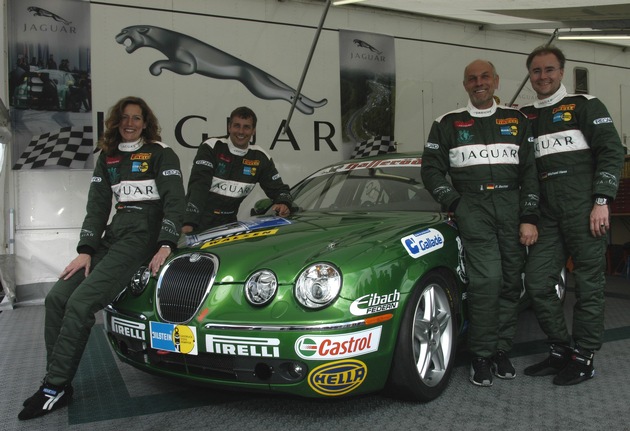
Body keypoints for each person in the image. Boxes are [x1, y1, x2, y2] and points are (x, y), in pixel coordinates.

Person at [18, 96, 186, 420]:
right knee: (56, 298)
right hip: (115, 232)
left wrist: (166, 243)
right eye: (124, 118)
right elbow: (96, 207)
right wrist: (85, 251)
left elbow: (174, 200)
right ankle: (61, 383)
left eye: (136, 118)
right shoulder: (107, 157)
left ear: (145, 123)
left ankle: (53, 387)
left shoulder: (161, 153)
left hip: (142, 236)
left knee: (81, 304)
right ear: (116, 122)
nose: (130, 123)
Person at [421, 59, 539, 387]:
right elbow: (430, 169)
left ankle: (501, 350)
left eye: (485, 77)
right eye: (472, 78)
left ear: (496, 81)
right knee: (486, 282)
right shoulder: (447, 122)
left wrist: (529, 215)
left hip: (512, 207)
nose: (478, 83)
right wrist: (456, 202)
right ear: (465, 85)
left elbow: (530, 170)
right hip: (473, 208)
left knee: (511, 284)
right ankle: (481, 354)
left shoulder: (517, 120)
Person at [520, 45, 625, 386]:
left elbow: (612, 151)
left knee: (589, 286)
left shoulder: (586, 106)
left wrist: (601, 200)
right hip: (547, 215)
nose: (543, 76)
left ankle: (584, 357)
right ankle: (560, 349)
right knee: (536, 283)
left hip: (585, 210)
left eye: (549, 70)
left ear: (561, 72)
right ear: (530, 76)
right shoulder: (524, 117)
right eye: (536, 71)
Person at [183, 106, 292, 233]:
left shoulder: (260, 157)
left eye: (246, 127)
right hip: (197, 221)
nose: (241, 131)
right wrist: (189, 222)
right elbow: (198, 186)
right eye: (237, 126)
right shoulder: (212, 146)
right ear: (229, 127)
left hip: (228, 225)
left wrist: (284, 203)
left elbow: (279, 189)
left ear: (253, 131)